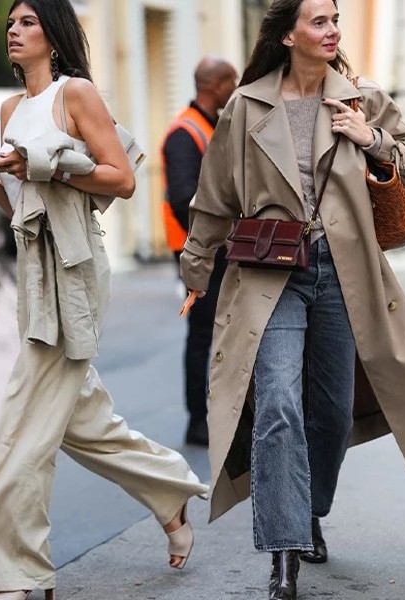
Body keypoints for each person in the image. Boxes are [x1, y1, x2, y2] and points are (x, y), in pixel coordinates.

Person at [179, 1, 405, 598]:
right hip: (269, 272)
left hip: (344, 272)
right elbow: (213, 197)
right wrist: (196, 271)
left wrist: (372, 137)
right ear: (288, 35)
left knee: (332, 413)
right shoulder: (246, 105)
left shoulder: (361, 97)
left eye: (335, 18)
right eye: (318, 20)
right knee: (278, 404)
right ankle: (283, 550)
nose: (332, 29)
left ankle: (308, 508)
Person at [0, 1, 208, 598]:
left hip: (75, 274)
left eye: (26, 22)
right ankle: (168, 494)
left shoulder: (75, 94)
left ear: (53, 35)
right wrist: (2, 186)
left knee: (22, 430)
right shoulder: (9, 109)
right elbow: (29, 208)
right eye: (11, 23)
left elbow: (121, 179)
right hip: (33, 276)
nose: (14, 31)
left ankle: (16, 571)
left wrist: (42, 165)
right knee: (81, 419)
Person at [161, 55, 238, 447]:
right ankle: (197, 421)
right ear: (217, 86)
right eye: (232, 83)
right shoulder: (184, 133)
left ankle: (220, 416)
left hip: (217, 249)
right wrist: (211, 238)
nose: (235, 90)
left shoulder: (208, 128)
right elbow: (181, 198)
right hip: (200, 252)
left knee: (222, 335)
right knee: (202, 335)